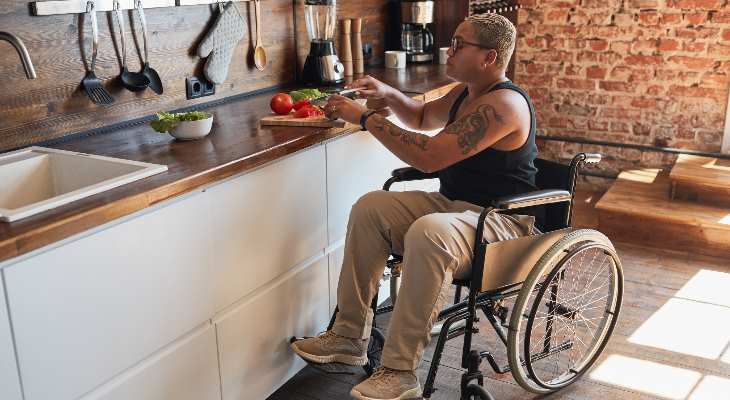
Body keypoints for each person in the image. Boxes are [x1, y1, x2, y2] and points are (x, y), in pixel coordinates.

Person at [291, 13, 540, 400]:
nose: (448, 50)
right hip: (455, 208)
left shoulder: (504, 106)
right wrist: (390, 94)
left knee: (431, 230)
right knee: (371, 207)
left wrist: (367, 118)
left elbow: (429, 157)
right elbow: (422, 116)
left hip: (500, 222)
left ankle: (400, 371)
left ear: (489, 57)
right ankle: (348, 336)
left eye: (459, 44)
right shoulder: (465, 92)